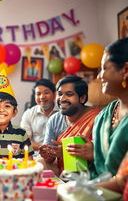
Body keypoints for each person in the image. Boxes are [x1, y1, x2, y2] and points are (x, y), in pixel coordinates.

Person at [80, 37, 128, 179]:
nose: (100, 76)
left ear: (125, 70)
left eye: (104, 68)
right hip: (98, 189)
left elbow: (121, 182)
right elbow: (102, 152)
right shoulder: (106, 113)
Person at [39, 76, 101, 176]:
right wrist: (47, 153)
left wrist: (67, 153)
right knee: (39, 163)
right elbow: (49, 158)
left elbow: (103, 155)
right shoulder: (55, 119)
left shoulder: (98, 118)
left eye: (69, 94)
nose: (62, 99)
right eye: (59, 94)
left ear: (82, 98)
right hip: (62, 171)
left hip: (90, 173)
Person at [20, 78, 58, 151]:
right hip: (35, 154)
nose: (42, 97)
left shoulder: (62, 113)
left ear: (54, 94)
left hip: (57, 154)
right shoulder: (28, 114)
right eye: (38, 94)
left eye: (46, 93)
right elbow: (25, 141)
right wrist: (45, 149)